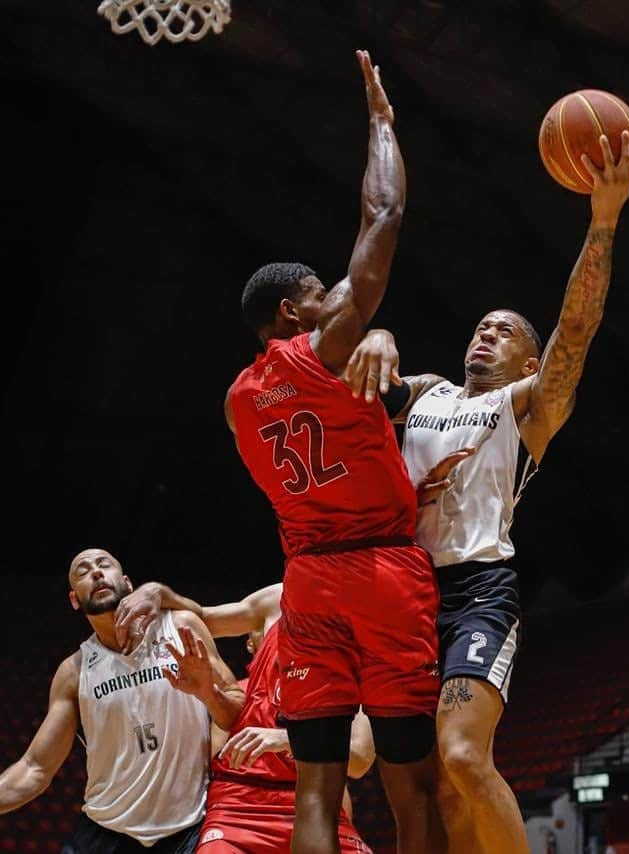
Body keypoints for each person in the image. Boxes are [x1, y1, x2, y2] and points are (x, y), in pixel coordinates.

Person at [346, 130, 629, 853]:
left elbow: (577, 328)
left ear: (528, 360)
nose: (485, 334)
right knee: (438, 789)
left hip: (479, 590)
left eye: (503, 331)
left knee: (463, 758)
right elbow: (350, 386)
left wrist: (603, 217)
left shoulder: (525, 407)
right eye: (481, 327)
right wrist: (376, 332)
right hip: (401, 592)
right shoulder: (424, 392)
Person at [222, 49, 444, 854]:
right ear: (293, 310)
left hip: (307, 583)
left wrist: (376, 338)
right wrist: (382, 122)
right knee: (408, 780)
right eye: (322, 296)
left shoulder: (239, 398)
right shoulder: (319, 349)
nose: (335, 302)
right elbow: (380, 221)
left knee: (314, 785)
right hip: (381, 570)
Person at [0, 548, 244, 853]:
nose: (97, 573)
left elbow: (238, 712)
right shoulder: (74, 672)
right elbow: (35, 769)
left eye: (104, 565)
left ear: (128, 583)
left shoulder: (180, 627)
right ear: (75, 599)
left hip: (187, 828)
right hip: (106, 832)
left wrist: (208, 693)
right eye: (83, 571)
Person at [114, 580, 376, 852]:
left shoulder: (356, 644)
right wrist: (157, 591)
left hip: (310, 796)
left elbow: (359, 759)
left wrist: (286, 739)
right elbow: (201, 618)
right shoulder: (276, 605)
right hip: (239, 802)